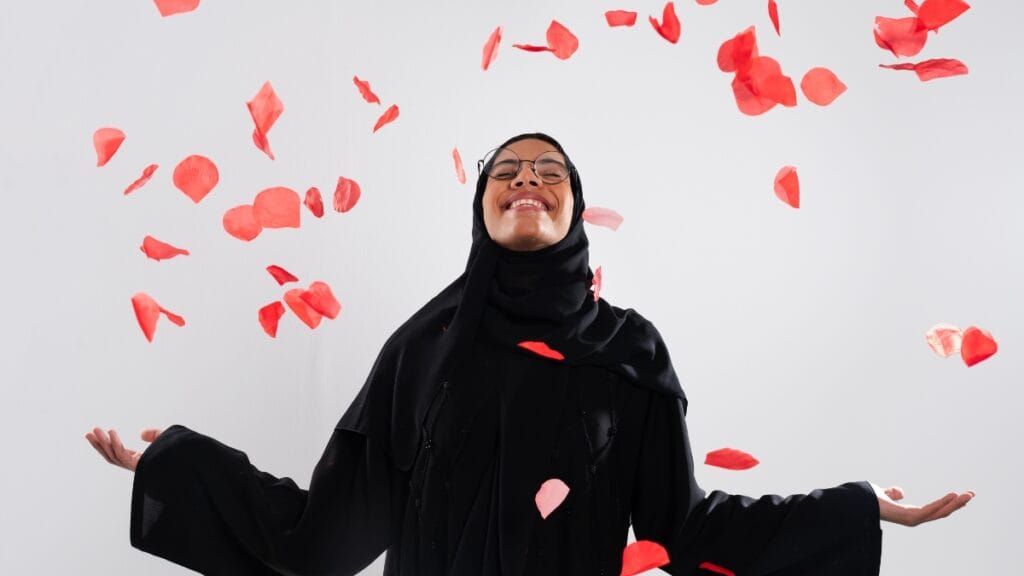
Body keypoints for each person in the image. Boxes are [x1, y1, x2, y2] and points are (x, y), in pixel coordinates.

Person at [87, 133, 973, 576]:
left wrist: (858, 510)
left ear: (575, 213)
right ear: (481, 210)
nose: (526, 183)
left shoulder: (629, 350)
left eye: (550, 174)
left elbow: (685, 529)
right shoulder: (421, 350)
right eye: (507, 173)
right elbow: (323, 533)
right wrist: (173, 466)